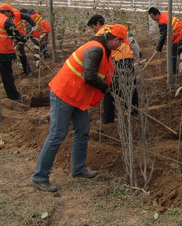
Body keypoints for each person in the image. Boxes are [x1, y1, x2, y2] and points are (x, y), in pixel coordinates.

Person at [31, 24, 129, 192]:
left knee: (82, 131)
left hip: (78, 97)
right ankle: (40, 177)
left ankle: (78, 169)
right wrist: (107, 90)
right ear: (115, 40)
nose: (121, 46)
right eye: (121, 43)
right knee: (57, 135)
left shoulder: (104, 50)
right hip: (64, 94)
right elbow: (89, 75)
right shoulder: (95, 50)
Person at [87, 15, 141, 124]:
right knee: (131, 86)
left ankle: (108, 119)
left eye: (93, 27)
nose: (94, 30)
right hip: (127, 59)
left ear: (98, 23)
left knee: (110, 89)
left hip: (115, 61)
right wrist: (137, 56)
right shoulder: (115, 28)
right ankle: (135, 113)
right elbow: (131, 42)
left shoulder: (101, 34)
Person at [0, 3, 28, 101]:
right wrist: (23, 38)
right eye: (11, 12)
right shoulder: (6, 21)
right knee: (6, 75)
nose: (12, 14)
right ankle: (13, 96)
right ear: (6, 12)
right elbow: (15, 34)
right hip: (2, 52)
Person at [148, 7, 182, 74]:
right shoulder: (164, 15)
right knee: (181, 52)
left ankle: (172, 71)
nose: (153, 19)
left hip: (180, 34)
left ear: (157, 15)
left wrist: (158, 49)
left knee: (173, 51)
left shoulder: (162, 22)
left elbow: (163, 36)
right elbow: (166, 35)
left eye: (152, 17)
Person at [12, 8, 37, 77]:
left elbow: (27, 17)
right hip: (8, 39)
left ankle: (27, 71)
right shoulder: (3, 19)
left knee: (22, 54)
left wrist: (33, 25)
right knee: (9, 56)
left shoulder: (16, 14)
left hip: (19, 38)